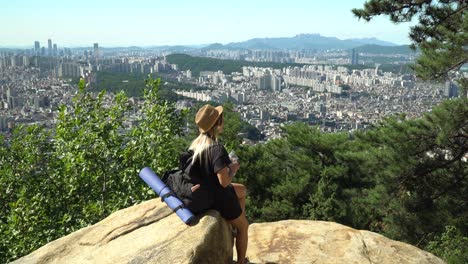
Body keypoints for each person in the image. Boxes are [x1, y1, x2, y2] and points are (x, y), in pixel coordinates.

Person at [187, 104, 249, 264]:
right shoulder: (216, 148)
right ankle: (241, 260)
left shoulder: (195, 145)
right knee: (244, 226)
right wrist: (233, 169)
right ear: (217, 124)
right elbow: (224, 182)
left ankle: (231, 223)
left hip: (204, 192)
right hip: (217, 196)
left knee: (242, 190)